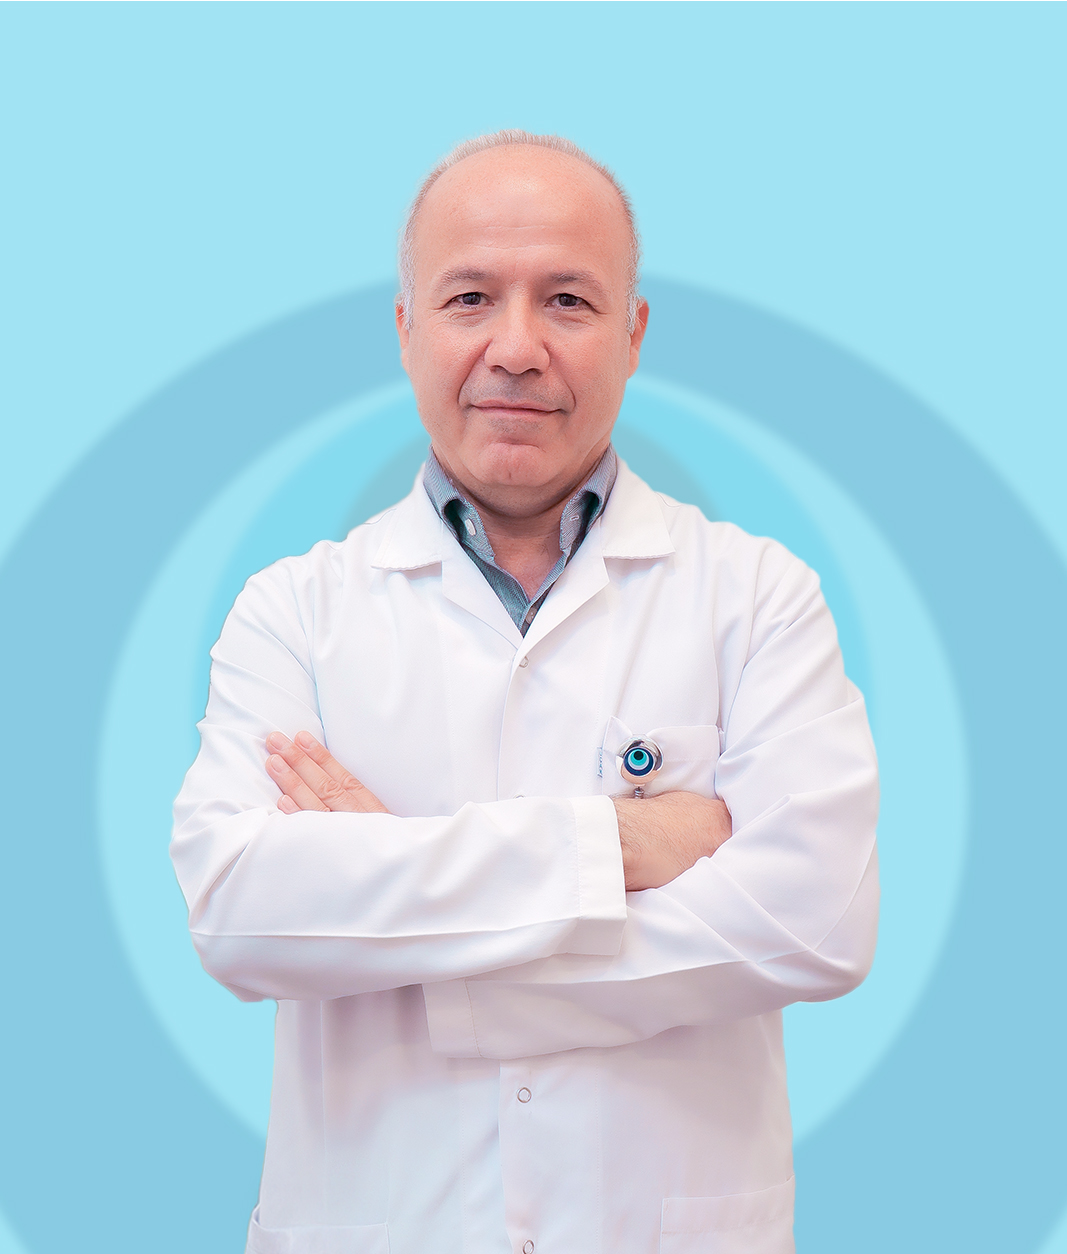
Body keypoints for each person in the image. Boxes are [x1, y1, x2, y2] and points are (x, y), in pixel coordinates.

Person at [171, 130, 879, 1254]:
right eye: (468, 298)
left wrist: (410, 919)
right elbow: (240, 912)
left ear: (631, 334)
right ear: (405, 329)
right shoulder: (293, 611)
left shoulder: (756, 596)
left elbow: (815, 922)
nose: (515, 347)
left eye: (566, 301)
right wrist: (617, 844)